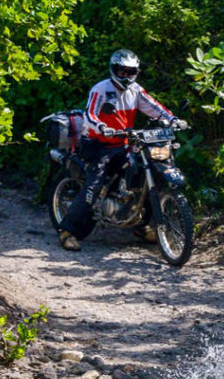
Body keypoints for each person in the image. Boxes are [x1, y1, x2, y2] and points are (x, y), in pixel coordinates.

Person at [58, 49, 187, 251]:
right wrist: (101, 127)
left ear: (136, 72)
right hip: (98, 144)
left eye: (130, 71)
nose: (125, 76)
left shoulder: (136, 90)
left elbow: (154, 107)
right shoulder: (101, 89)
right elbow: (90, 114)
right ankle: (67, 231)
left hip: (123, 144)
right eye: (121, 71)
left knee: (146, 175)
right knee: (94, 187)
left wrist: (173, 120)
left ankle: (141, 225)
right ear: (113, 70)